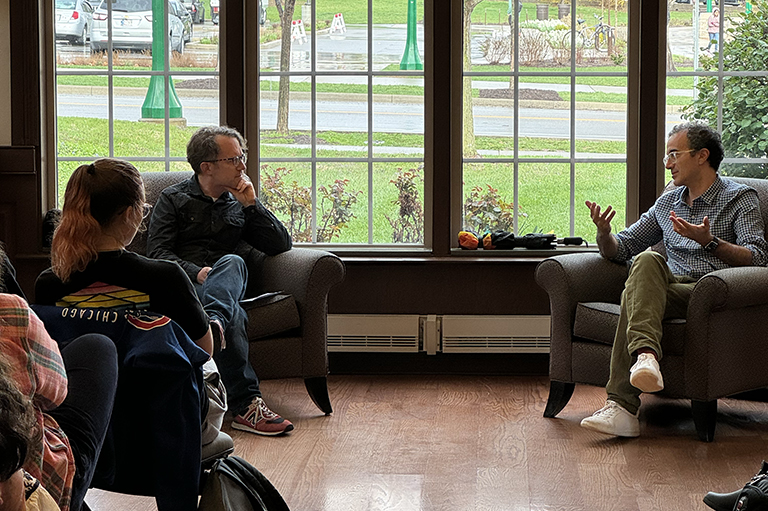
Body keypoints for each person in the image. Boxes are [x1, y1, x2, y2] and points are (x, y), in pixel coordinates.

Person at [580, 121, 768, 438]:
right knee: (647, 260)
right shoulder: (668, 201)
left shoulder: (739, 198)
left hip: (710, 293)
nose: (667, 164)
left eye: (674, 154)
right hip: (668, 286)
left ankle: (622, 407)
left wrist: (710, 242)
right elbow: (622, 248)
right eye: (667, 156)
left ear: (701, 156)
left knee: (632, 295)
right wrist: (603, 234)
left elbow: (759, 257)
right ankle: (646, 358)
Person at [147, 125, 294, 436]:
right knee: (233, 313)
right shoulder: (172, 199)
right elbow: (158, 253)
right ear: (207, 167)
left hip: (228, 284)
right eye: (234, 159)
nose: (242, 165)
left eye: (242, 156)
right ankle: (247, 406)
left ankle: (214, 321)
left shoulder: (239, 202)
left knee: (233, 262)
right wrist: (196, 272)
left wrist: (252, 205)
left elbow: (280, 245)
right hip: (186, 288)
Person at [35, 158, 214, 357]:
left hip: (77, 377)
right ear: (129, 214)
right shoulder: (167, 278)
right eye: (142, 209)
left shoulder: (48, 284)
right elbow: (204, 350)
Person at [0, 251, 118, 511]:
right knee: (97, 347)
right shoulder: (10, 311)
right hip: (34, 477)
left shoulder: (48, 282)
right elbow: (57, 395)